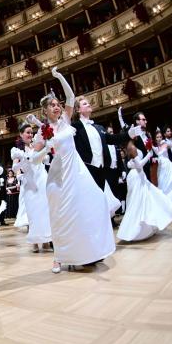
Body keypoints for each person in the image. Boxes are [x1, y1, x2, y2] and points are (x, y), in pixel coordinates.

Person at [34, 67, 115, 273]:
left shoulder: (66, 120)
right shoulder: (42, 132)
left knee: (95, 202)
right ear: (45, 111)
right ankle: (58, 258)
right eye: (52, 105)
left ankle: (90, 250)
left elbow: (70, 96)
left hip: (77, 170)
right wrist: (46, 147)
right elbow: (34, 159)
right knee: (62, 216)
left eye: (57, 104)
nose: (57, 107)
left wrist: (59, 76)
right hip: (59, 175)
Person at [117, 141, 172, 241]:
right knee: (137, 202)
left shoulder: (133, 146)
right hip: (137, 177)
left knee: (146, 200)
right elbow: (139, 164)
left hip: (139, 176)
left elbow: (132, 164)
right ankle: (135, 231)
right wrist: (149, 155)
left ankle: (145, 228)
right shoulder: (132, 147)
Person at [11, 122, 52, 253]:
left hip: (42, 179)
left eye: (31, 132)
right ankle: (34, 241)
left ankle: (46, 240)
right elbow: (15, 168)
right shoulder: (18, 150)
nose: (30, 134)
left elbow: (45, 157)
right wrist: (20, 172)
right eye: (27, 132)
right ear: (21, 134)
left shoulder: (37, 144)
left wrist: (45, 156)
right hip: (30, 182)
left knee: (45, 210)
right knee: (32, 212)